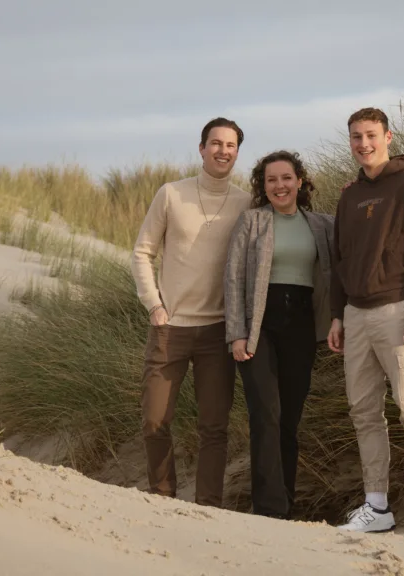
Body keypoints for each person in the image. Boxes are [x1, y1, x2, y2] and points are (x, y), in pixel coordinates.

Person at [327, 107, 404, 533]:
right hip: (355, 316)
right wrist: (338, 317)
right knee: (364, 412)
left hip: (400, 310)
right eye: (356, 137)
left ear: (388, 136)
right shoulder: (348, 195)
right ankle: (376, 506)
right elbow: (339, 260)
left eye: (371, 135)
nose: (364, 144)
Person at [131, 117, 251, 508]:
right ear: (201, 149)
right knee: (154, 419)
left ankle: (208, 506)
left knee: (214, 427)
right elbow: (142, 252)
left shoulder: (245, 202)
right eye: (215, 143)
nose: (223, 151)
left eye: (230, 145)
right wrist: (155, 306)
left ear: (237, 151)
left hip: (219, 331)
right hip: (171, 328)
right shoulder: (171, 194)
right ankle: (163, 497)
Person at [224, 150, 334, 519]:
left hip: (302, 327)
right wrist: (237, 334)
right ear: (263, 186)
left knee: (289, 420)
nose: (279, 185)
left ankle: (287, 502)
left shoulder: (321, 225)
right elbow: (234, 279)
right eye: (271, 180)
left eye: (286, 178)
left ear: (300, 181)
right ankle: (269, 510)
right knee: (265, 415)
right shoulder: (252, 221)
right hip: (260, 327)